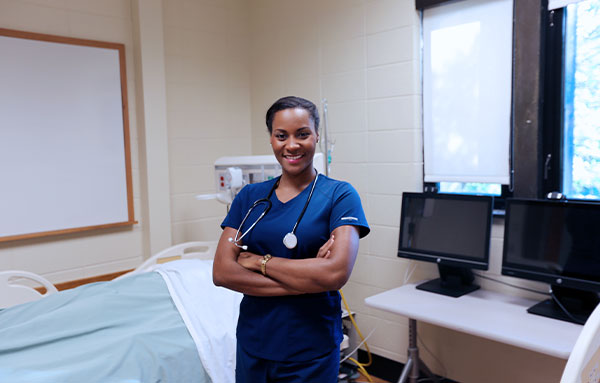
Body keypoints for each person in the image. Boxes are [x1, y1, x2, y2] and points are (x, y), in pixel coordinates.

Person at [213, 96, 370, 383]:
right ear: (271, 139)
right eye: (281, 135)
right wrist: (308, 281)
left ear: (316, 136)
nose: (292, 145)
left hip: (310, 348)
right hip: (254, 344)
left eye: (302, 134)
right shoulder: (250, 197)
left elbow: (335, 273)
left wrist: (258, 261)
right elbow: (222, 272)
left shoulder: (340, 196)